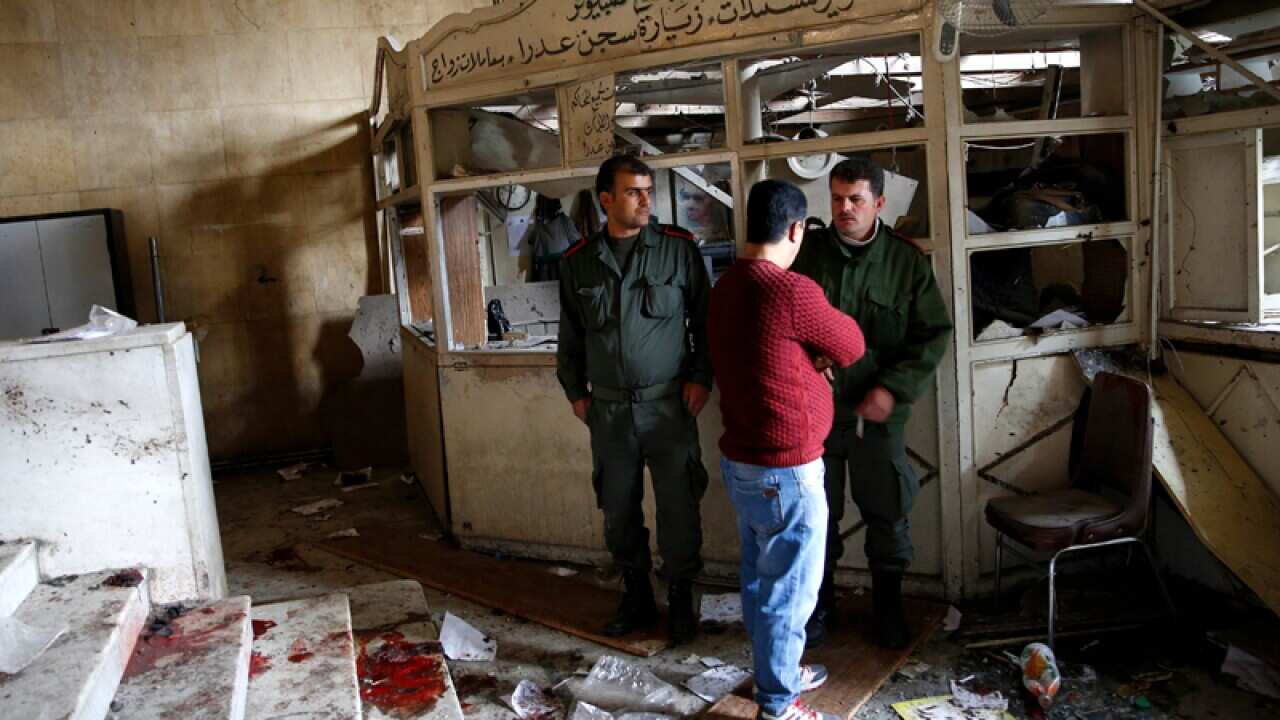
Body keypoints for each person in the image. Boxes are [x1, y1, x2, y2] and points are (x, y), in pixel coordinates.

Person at [709, 180, 865, 720]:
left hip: (742, 463)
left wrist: (803, 361)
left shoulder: (726, 286)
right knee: (791, 592)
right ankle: (778, 703)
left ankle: (776, 670)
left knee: (760, 579)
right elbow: (851, 344)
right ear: (797, 229)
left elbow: (765, 357)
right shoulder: (790, 291)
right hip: (787, 470)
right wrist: (816, 359)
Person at [792, 158, 953, 649]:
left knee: (887, 514)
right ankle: (820, 606)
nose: (844, 209)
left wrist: (893, 389)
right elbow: (782, 321)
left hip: (875, 417)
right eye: (837, 199)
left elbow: (932, 336)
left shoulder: (906, 261)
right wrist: (803, 360)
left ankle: (888, 606)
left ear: (879, 203)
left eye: (855, 199)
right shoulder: (808, 254)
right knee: (816, 514)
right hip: (815, 414)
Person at [556, 155, 713, 645]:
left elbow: (705, 323)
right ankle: (637, 594)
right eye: (633, 192)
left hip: (668, 406)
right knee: (619, 509)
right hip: (609, 412)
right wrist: (575, 394)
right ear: (606, 200)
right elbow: (571, 338)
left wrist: (701, 378)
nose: (646, 200)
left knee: (678, 509)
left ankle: (683, 597)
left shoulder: (677, 251)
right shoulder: (579, 261)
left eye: (648, 190)